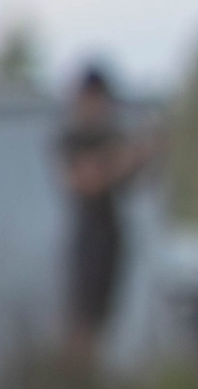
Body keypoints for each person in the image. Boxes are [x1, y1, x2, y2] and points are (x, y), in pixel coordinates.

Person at [56, 65, 158, 369]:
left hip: (110, 235)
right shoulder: (74, 137)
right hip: (88, 237)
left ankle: (87, 381)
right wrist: (122, 160)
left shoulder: (110, 136)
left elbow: (132, 180)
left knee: (101, 321)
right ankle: (75, 382)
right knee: (81, 319)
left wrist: (139, 157)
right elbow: (84, 180)